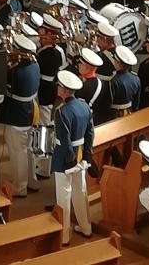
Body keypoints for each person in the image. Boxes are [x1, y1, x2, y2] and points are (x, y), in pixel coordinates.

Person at [52, 70, 94, 246]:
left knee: (64, 196)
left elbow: (64, 139)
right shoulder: (84, 106)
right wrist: (87, 155)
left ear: (64, 90)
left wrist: (70, 162)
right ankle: (86, 227)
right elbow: (90, 133)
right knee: (80, 191)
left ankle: (64, 236)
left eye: (59, 86)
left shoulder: (61, 112)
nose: (57, 88)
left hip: (65, 157)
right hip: (81, 154)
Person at [0, 34, 40, 197]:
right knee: (28, 149)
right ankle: (32, 180)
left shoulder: (16, 72)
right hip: (31, 110)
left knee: (18, 152)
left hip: (17, 114)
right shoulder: (35, 65)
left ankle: (20, 187)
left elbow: (3, 86)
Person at [35, 13, 66, 178]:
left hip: (45, 92)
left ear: (49, 35)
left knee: (43, 129)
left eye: (42, 32)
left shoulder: (49, 53)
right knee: (44, 127)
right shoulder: (56, 51)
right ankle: (42, 164)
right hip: (48, 90)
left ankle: (43, 167)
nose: (39, 34)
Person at [75, 47, 110, 125]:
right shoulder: (98, 82)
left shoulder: (85, 86)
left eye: (80, 63)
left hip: (82, 119)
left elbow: (78, 107)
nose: (78, 65)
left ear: (87, 67)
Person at [109, 45, 141, 118]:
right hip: (130, 111)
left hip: (115, 114)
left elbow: (109, 102)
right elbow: (136, 103)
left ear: (118, 63)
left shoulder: (114, 81)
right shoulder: (136, 79)